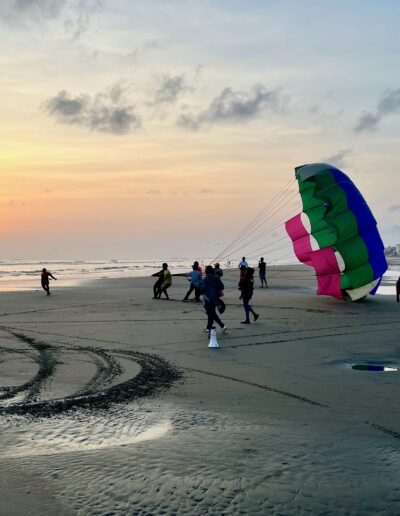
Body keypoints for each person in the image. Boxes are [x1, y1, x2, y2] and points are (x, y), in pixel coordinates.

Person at [201, 265, 227, 335]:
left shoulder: (205, 279)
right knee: (211, 312)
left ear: (206, 272)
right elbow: (222, 286)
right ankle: (208, 328)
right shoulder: (216, 278)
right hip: (215, 298)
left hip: (208, 298)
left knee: (211, 313)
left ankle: (222, 325)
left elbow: (202, 289)